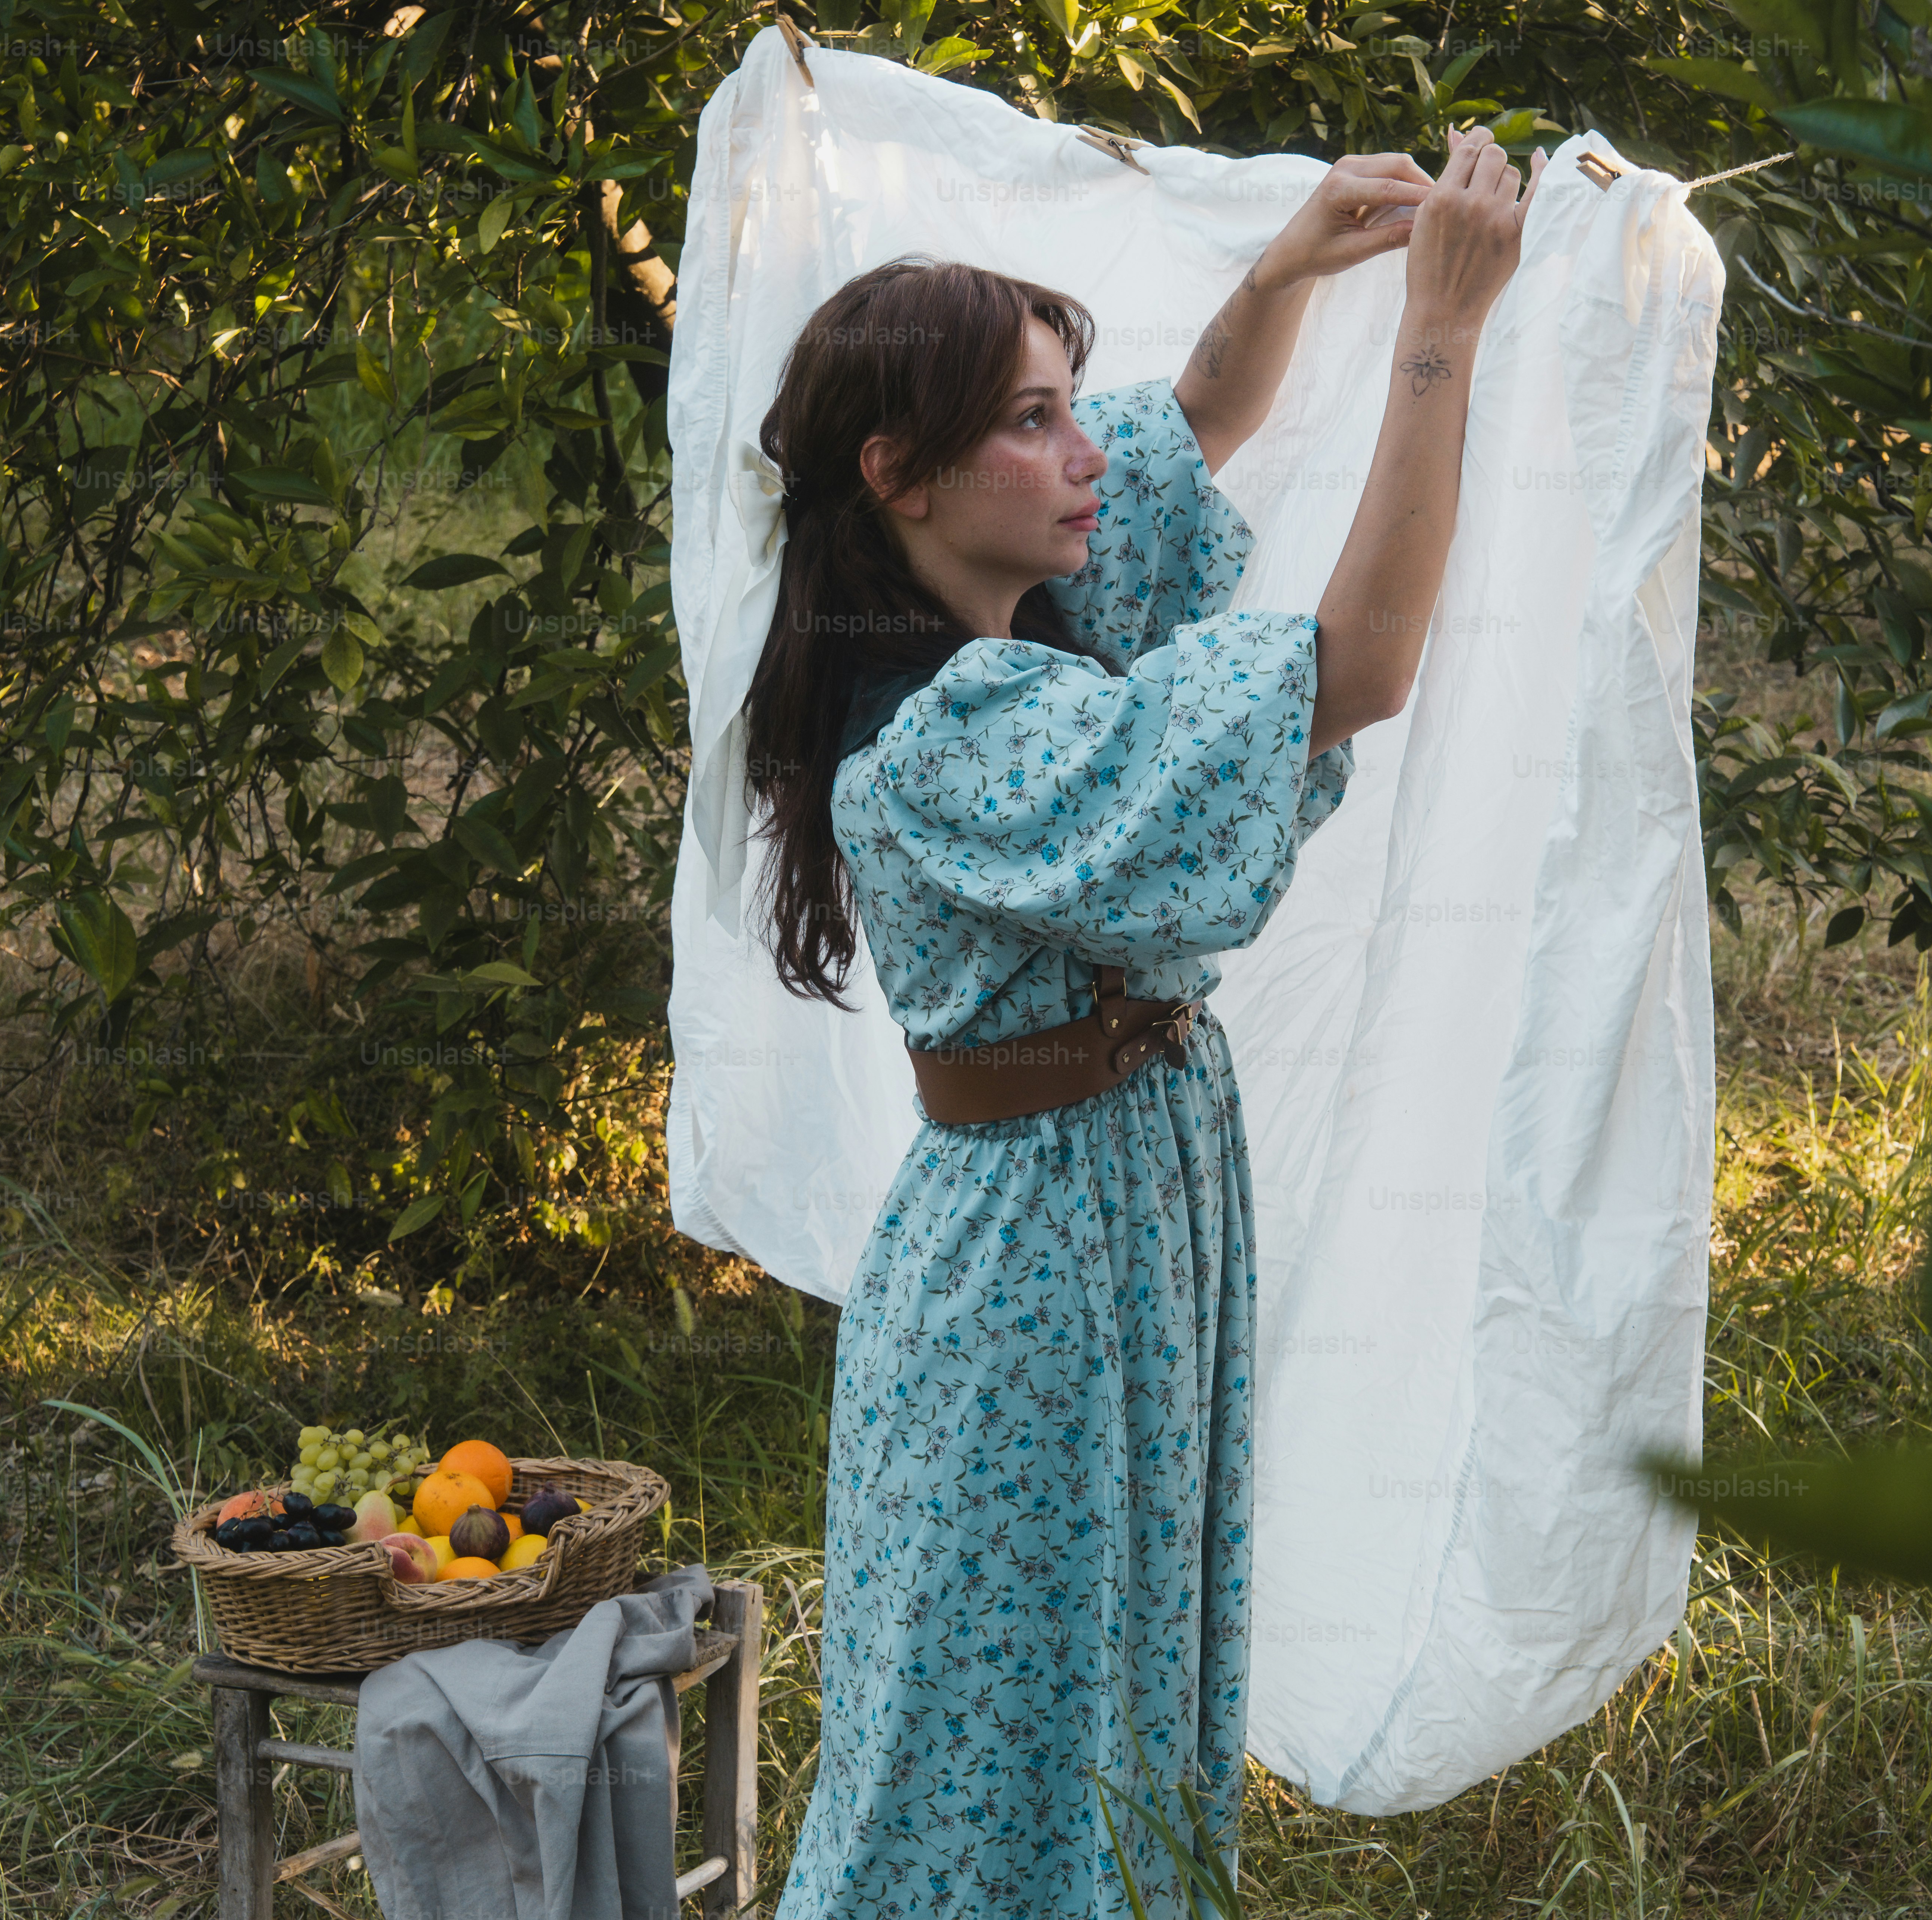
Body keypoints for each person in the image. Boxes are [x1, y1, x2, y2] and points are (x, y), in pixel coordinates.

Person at [739, 128, 1543, 1919]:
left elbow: (1186, 425)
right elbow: (1363, 666)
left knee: (1102, 1724)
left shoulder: (1015, 614)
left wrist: (1285, 272)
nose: (1085, 452)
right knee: (980, 1758)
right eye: (1031, 420)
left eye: (1064, 403)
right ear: (903, 475)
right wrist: (1439, 339)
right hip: (1027, 1280)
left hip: (1119, 1216)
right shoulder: (950, 729)